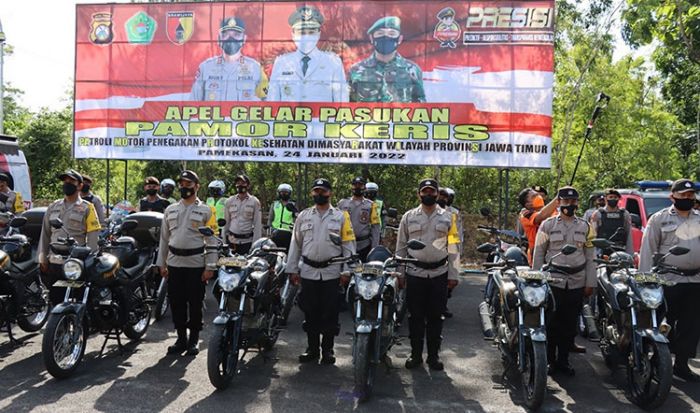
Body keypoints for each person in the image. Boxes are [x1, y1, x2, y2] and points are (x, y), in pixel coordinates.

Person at [286, 178, 356, 364]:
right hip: (308, 271)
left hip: (332, 272)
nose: (319, 194)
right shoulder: (303, 216)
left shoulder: (341, 217)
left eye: (323, 191)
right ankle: (312, 349)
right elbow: (296, 244)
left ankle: (328, 350)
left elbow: (348, 244)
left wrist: (347, 271)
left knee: (330, 313)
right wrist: (292, 269)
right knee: (310, 312)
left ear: (330, 193)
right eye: (316, 191)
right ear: (312, 193)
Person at [639, 179, 700, 381]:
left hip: (694, 280)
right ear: (672, 196)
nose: (687, 198)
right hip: (667, 280)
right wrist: (646, 280)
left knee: (690, 325)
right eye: (683, 195)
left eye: (690, 195)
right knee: (663, 324)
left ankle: (681, 365)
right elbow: (648, 249)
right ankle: (658, 362)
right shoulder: (659, 219)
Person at [532, 186, 596, 376]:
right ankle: (549, 360)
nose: (569, 205)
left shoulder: (586, 226)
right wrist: (536, 280)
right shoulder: (547, 225)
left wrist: (590, 282)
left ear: (577, 203)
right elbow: (539, 254)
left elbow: (590, 256)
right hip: (553, 280)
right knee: (551, 323)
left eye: (573, 201)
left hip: (577, 281)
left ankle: (563, 361)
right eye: (566, 201)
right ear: (558, 203)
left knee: (570, 324)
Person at [398, 179, 460, 370]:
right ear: (419, 194)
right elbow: (401, 246)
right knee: (415, 317)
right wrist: (399, 273)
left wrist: (454, 274)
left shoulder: (449, 218)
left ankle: (433, 357)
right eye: (424, 191)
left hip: (439, 274)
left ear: (437, 194)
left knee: (436, 317)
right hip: (415, 273)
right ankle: (415, 355)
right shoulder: (408, 217)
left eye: (432, 191)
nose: (428, 194)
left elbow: (454, 246)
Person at [157, 170, 217, 356]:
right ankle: (181, 338)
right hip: (175, 263)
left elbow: (212, 241)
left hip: (196, 264)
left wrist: (210, 266)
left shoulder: (207, 210)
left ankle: (193, 340)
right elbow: (164, 239)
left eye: (188, 184)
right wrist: (162, 263)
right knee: (176, 302)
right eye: (182, 184)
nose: (185, 188)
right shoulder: (170, 209)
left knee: (195, 303)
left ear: (197, 186)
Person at [38, 170, 101, 305]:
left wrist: (90, 261)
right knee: (55, 302)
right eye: (65, 181)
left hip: (76, 263)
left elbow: (93, 237)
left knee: (80, 302)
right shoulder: (53, 206)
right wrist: (42, 257)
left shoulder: (87, 208)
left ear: (79, 186)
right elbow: (45, 233)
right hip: (55, 261)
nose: (67, 184)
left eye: (71, 181)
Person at [267, 5, 348, 102]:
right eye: (301, 32)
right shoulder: (281, 63)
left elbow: (342, 104)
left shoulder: (333, 63)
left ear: (319, 34)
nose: (306, 36)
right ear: (293, 34)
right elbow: (272, 105)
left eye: (311, 32)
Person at [349, 16, 425, 103]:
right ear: (371, 38)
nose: (386, 37)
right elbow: (348, 105)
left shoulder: (412, 69)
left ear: (399, 39)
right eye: (380, 33)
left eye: (392, 34)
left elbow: (420, 105)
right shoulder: (356, 70)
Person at [190, 17, 267, 101]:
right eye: (225, 34)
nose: (230, 39)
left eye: (236, 35)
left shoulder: (255, 68)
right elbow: (194, 102)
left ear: (244, 39)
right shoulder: (205, 68)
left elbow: (267, 100)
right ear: (219, 39)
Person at [337, 177, 380, 262]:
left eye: (360, 185)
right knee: (346, 271)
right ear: (351, 187)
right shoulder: (342, 204)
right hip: (346, 245)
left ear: (364, 187)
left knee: (363, 271)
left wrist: (374, 248)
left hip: (364, 245)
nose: (357, 187)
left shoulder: (371, 205)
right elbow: (335, 224)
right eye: (355, 185)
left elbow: (376, 228)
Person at [438, 187, 462, 319]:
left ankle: (442, 306)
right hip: (429, 253)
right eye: (440, 196)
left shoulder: (453, 213)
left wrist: (456, 252)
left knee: (447, 283)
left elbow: (456, 234)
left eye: (446, 196)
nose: (443, 199)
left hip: (448, 251)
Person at [518, 187, 559, 265]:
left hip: (554, 254)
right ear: (527, 204)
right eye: (534, 196)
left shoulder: (551, 210)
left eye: (538, 195)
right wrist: (557, 198)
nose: (539, 197)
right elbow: (542, 216)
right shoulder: (525, 214)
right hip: (537, 255)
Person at [224, 174, 262, 255]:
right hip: (232, 241)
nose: (240, 185)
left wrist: (255, 246)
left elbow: (257, 225)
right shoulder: (229, 201)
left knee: (246, 266)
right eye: (238, 183)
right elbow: (226, 223)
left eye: (243, 183)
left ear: (248, 186)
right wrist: (225, 242)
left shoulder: (254, 202)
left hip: (247, 242)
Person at [590, 189, 634, 255]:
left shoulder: (625, 214)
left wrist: (630, 254)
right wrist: (593, 253)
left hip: (620, 251)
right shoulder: (598, 214)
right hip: (602, 252)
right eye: (610, 197)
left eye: (615, 197)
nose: (613, 199)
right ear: (605, 198)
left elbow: (629, 235)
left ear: (618, 199)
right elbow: (593, 235)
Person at [267, 183, 297, 252]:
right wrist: (269, 232)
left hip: (288, 233)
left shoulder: (293, 205)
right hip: (275, 233)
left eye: (286, 192)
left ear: (289, 193)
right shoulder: (275, 204)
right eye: (282, 192)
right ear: (279, 193)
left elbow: (296, 219)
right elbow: (270, 218)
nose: (284, 194)